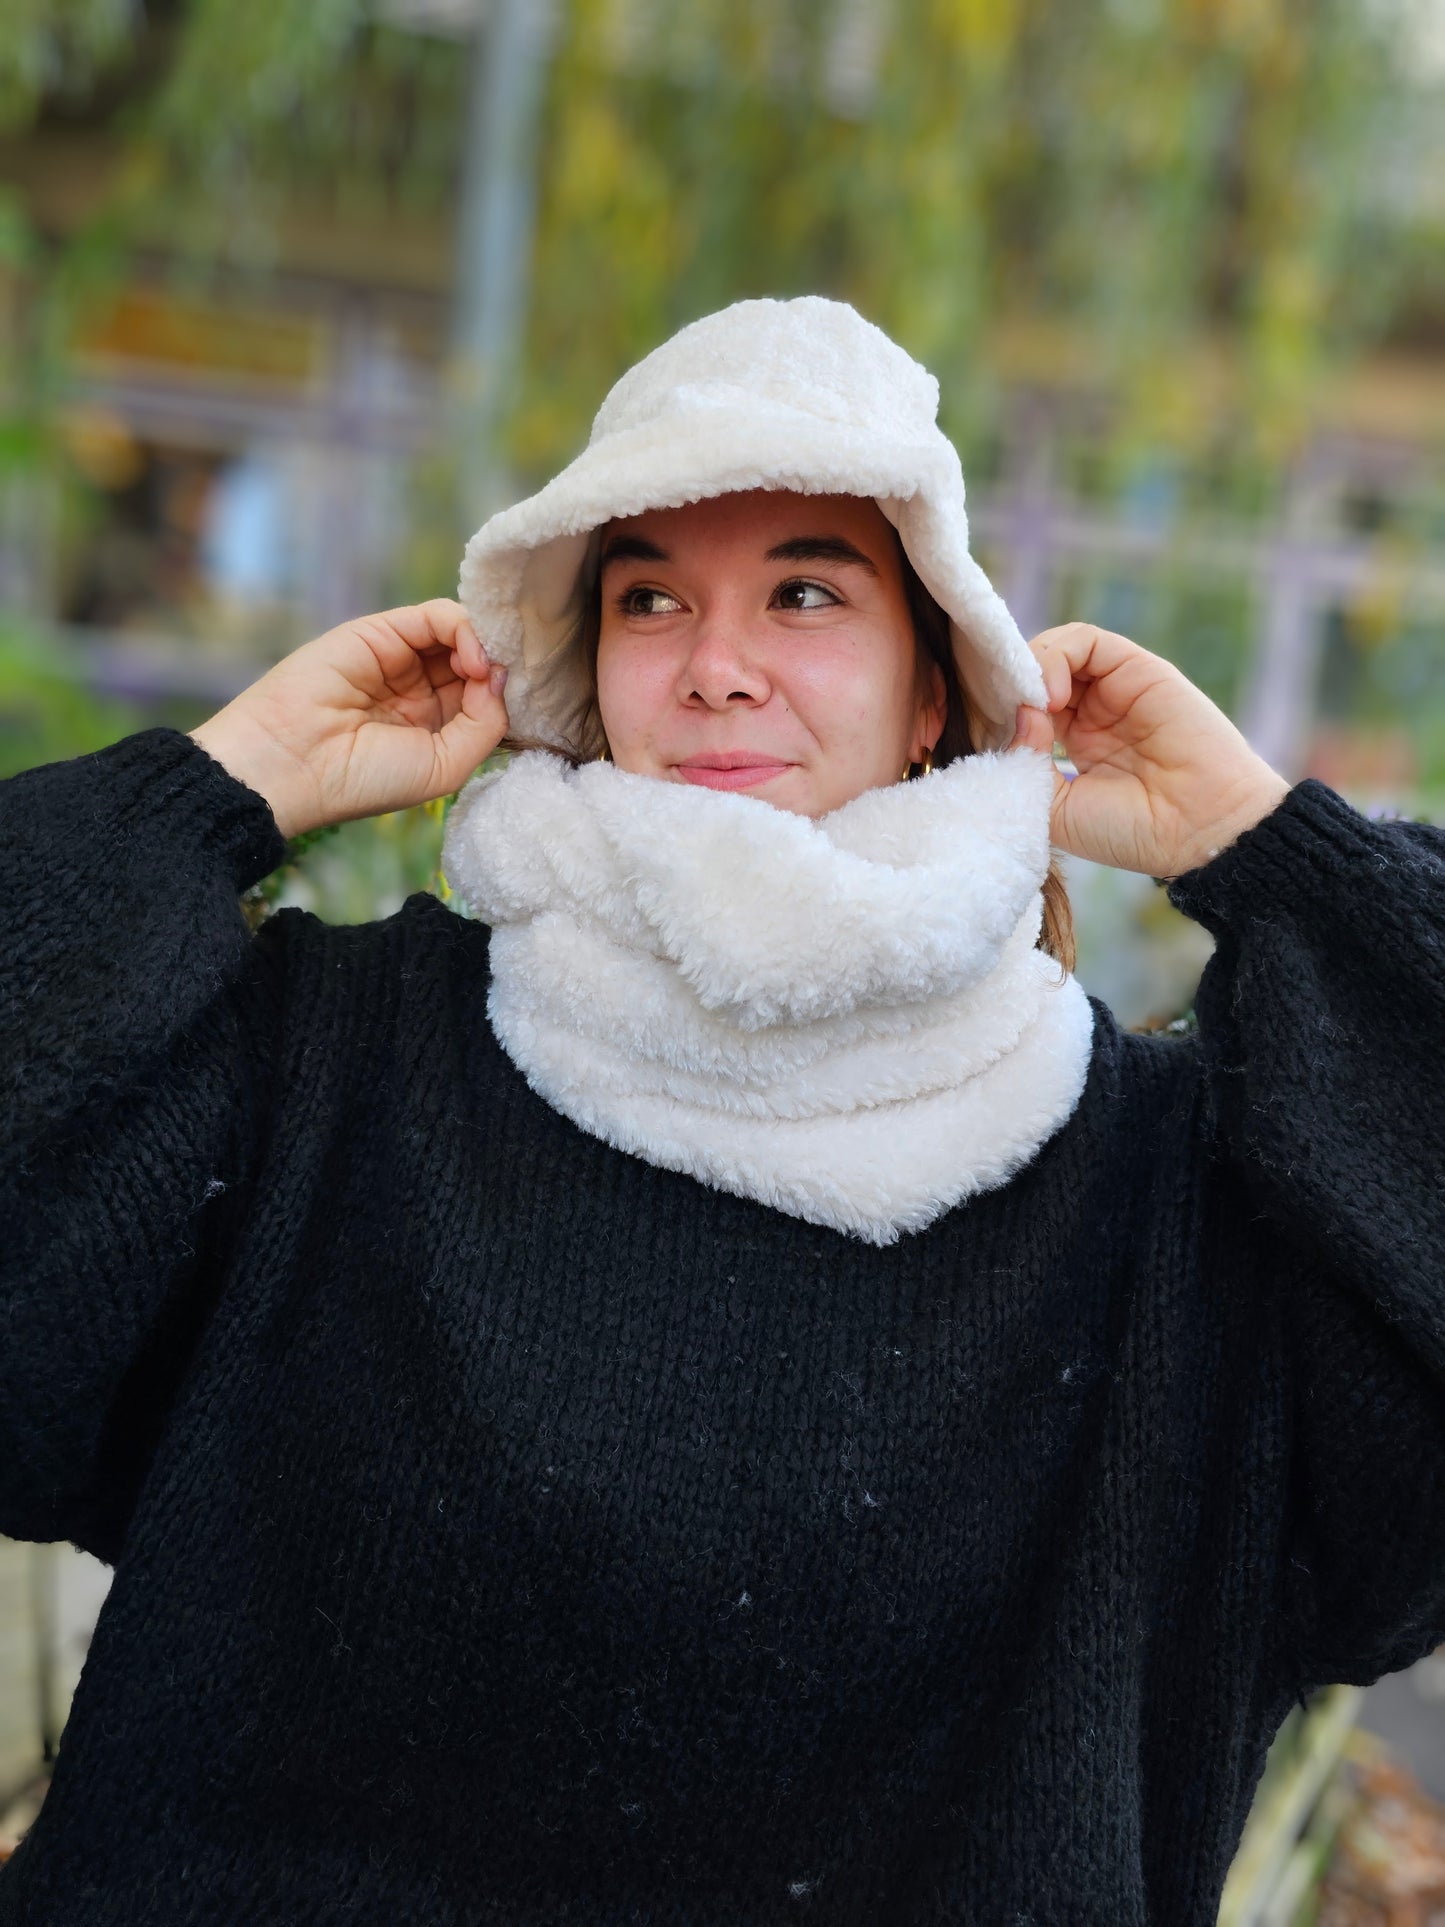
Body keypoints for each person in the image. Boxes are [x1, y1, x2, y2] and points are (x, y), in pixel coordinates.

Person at [0, 295, 1440, 1925]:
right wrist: (218, 787)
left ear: (930, 695)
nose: (715, 668)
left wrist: (1272, 853)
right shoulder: (330, 1069)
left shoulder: (1165, 1218)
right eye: (648, 598)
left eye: (807, 591)